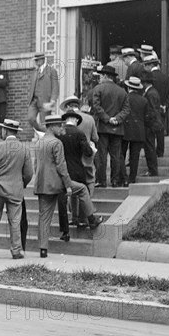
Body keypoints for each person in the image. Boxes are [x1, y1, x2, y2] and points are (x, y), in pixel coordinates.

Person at [34, 115, 102, 258]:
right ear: (52, 127)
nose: (61, 128)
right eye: (59, 126)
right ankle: (91, 218)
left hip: (42, 184)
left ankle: (43, 249)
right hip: (57, 183)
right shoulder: (56, 143)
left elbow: (36, 166)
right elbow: (61, 166)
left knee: (44, 217)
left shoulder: (39, 142)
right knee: (83, 189)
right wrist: (68, 185)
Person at [0, 119, 32, 259]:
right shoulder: (24, 149)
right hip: (15, 190)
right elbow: (29, 173)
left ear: (5, 130)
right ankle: (16, 250)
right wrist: (22, 184)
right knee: (15, 221)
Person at [60, 95, 98, 226]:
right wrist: (91, 149)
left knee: (73, 193)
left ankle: (74, 217)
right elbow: (92, 143)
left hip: (66, 166)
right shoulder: (86, 123)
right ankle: (85, 217)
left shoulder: (61, 132)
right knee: (85, 189)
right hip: (81, 164)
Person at [55, 111, 93, 242]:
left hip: (64, 170)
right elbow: (87, 153)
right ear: (76, 120)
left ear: (66, 120)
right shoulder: (79, 134)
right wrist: (91, 147)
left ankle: (70, 222)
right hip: (77, 168)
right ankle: (83, 219)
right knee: (83, 191)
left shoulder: (60, 134)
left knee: (65, 198)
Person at [92, 65, 130, 187]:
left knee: (101, 156)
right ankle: (115, 180)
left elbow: (96, 107)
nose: (99, 78)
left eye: (101, 76)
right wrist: (116, 119)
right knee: (116, 156)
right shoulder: (122, 91)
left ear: (105, 76)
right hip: (117, 128)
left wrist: (107, 119)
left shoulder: (98, 89)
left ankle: (101, 180)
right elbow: (126, 109)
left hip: (102, 128)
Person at [143, 54, 169, 157]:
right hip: (161, 109)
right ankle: (160, 152)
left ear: (150, 65)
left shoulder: (148, 79)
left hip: (150, 109)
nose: (145, 68)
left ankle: (152, 154)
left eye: (146, 65)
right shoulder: (165, 77)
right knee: (160, 131)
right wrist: (165, 105)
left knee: (150, 133)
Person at [119, 77, 148, 185]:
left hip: (124, 130)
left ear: (128, 87)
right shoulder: (144, 100)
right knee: (134, 157)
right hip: (139, 131)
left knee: (121, 154)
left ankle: (124, 177)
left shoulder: (124, 98)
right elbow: (146, 116)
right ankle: (132, 179)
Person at [28, 52, 59, 133]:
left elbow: (55, 86)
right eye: (35, 60)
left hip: (45, 101)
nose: (35, 62)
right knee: (30, 118)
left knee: (44, 123)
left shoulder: (52, 71)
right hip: (34, 101)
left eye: (37, 60)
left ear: (42, 60)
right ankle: (41, 132)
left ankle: (46, 137)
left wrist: (53, 100)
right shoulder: (35, 71)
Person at [141, 71, 164, 177]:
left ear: (145, 82)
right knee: (150, 148)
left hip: (150, 125)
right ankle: (152, 170)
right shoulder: (152, 92)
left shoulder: (150, 93)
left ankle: (152, 170)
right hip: (153, 124)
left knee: (149, 148)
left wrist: (146, 121)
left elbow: (151, 111)